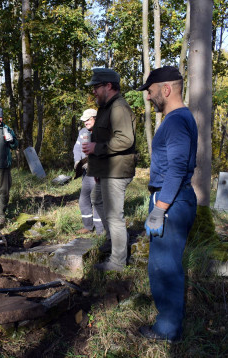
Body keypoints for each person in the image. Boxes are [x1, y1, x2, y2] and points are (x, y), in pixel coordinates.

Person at [136, 66, 198, 342]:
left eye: (150, 92)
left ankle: (167, 330)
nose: (148, 98)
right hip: (173, 199)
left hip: (171, 202)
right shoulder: (181, 119)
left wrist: (160, 208)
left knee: (165, 266)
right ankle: (168, 323)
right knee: (163, 264)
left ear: (166, 89)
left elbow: (176, 168)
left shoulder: (175, 121)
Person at [82, 68, 137, 272]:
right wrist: (97, 168)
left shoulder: (119, 108)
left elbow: (125, 139)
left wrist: (97, 148)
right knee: (97, 200)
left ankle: (118, 261)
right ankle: (113, 239)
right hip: (106, 169)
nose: (94, 91)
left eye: (97, 87)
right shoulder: (106, 107)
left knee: (115, 216)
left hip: (116, 170)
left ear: (109, 86)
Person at [73, 108, 104, 235]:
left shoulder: (102, 131)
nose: (86, 122)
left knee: (96, 199)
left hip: (99, 172)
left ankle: (100, 229)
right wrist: (77, 161)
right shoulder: (82, 132)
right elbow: (76, 148)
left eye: (88, 119)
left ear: (95, 118)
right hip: (86, 172)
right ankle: (88, 226)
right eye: (84, 120)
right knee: (83, 199)